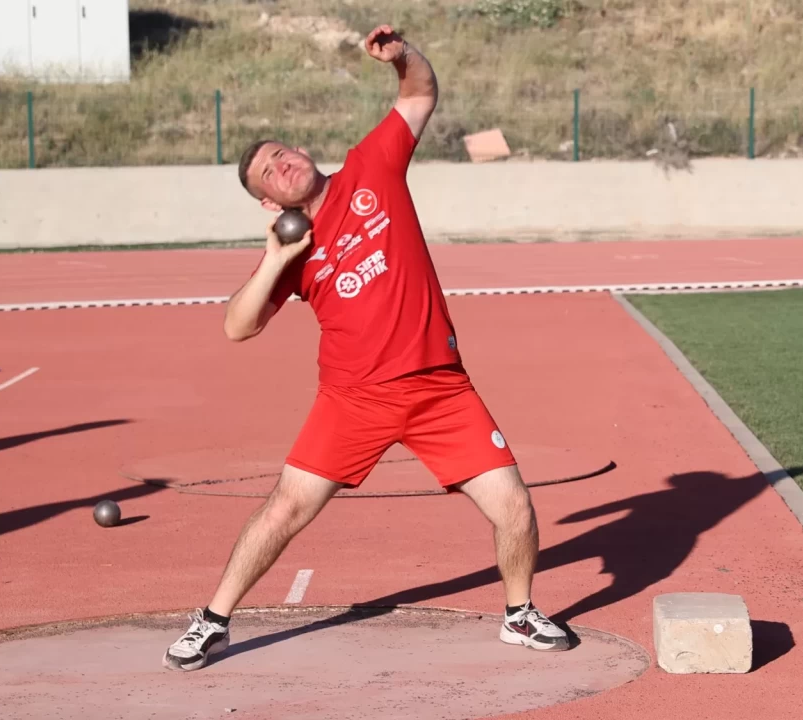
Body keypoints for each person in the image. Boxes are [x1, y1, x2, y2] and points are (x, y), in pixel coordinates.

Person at [162, 24, 569, 672]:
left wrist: (403, 56)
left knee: (514, 506)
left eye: (282, 153)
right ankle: (212, 621)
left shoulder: (370, 165)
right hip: (353, 399)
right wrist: (276, 260)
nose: (282, 165)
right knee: (285, 509)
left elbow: (421, 93)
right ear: (268, 200)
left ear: (302, 151)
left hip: (440, 388)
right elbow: (238, 326)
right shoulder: (293, 251)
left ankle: (519, 615)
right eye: (269, 172)